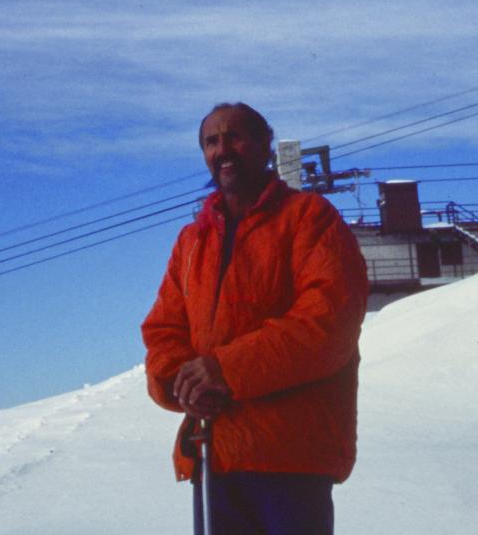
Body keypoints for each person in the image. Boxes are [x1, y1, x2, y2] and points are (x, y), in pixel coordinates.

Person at [142, 102, 369, 535]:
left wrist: (226, 369)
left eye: (235, 136)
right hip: (214, 456)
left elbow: (328, 322)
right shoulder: (192, 242)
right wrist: (180, 382)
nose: (222, 149)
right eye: (211, 141)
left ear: (265, 146)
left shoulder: (309, 219)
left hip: (291, 459)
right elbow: (163, 330)